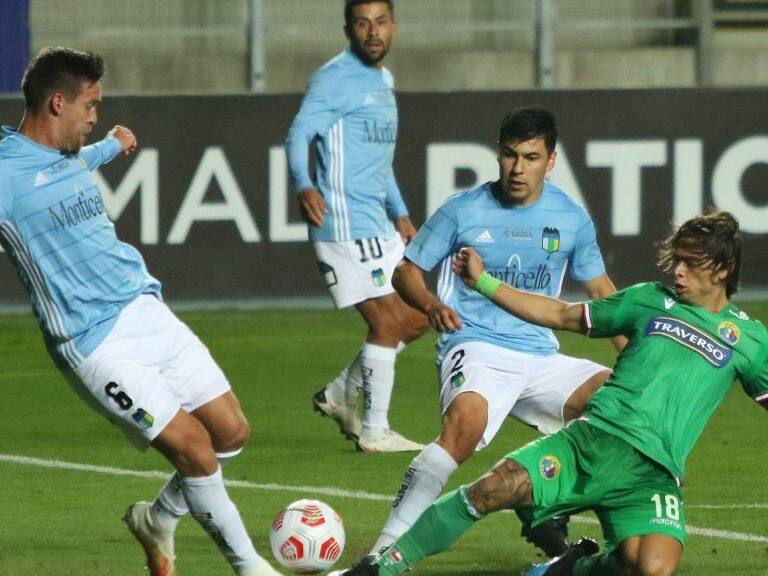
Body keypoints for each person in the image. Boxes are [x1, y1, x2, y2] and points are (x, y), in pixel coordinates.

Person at [336, 210, 768, 576]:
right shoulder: (648, 301)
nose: (677, 271)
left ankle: (569, 568)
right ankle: (383, 565)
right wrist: (484, 282)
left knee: (652, 566)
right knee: (490, 490)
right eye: (677, 260)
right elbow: (560, 314)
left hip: (653, 472)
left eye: (691, 264)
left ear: (723, 270)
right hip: (591, 442)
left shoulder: (749, 339)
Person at [0, 47, 283, 576]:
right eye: (91, 106)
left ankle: (157, 518)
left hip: (144, 308)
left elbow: (74, 165)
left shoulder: (67, 154)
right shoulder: (4, 173)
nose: (95, 116)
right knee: (196, 452)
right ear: (57, 102)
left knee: (230, 434)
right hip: (95, 342)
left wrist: (112, 146)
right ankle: (251, 568)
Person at [364, 106, 625, 558]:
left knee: (617, 403)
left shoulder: (571, 217)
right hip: (475, 344)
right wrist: (431, 304)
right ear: (498, 154)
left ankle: (545, 504)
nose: (518, 168)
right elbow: (405, 272)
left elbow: (602, 294)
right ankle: (384, 551)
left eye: (531, 157)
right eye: (509, 155)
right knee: (464, 430)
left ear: (552, 160)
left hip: (541, 354)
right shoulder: (463, 210)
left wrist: (642, 354)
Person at [285, 0, 430, 453]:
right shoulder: (333, 79)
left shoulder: (383, 80)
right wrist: (304, 184)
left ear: (394, 27)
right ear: (348, 29)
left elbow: (378, 162)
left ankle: (339, 395)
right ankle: (374, 429)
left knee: (420, 314)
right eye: (363, 23)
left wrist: (401, 212)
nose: (373, 32)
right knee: (387, 322)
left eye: (381, 22)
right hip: (345, 223)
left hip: (378, 221)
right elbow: (298, 134)